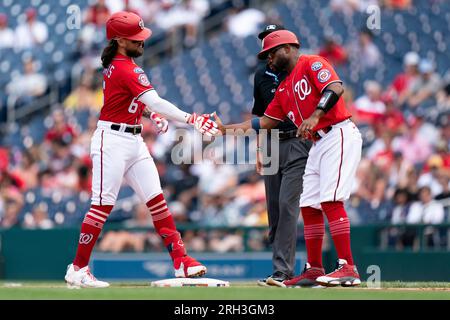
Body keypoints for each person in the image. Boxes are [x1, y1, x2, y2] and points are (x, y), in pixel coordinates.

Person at [64, 11, 219, 288]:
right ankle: (78, 268)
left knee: (156, 200)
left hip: (133, 139)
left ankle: (181, 261)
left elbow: (135, 100)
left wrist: (147, 113)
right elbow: (156, 100)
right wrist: (192, 118)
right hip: (111, 140)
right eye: (136, 38)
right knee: (102, 205)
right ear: (121, 41)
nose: (143, 42)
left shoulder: (119, 64)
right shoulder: (125, 66)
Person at [215, 29, 363, 287]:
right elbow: (263, 123)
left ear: (286, 48)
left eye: (271, 53)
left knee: (330, 199)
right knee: (308, 204)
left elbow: (335, 87)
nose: (268, 59)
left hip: (337, 132)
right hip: (318, 142)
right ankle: (315, 268)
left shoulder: (313, 62)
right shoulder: (283, 89)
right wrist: (224, 130)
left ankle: (347, 266)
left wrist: (316, 115)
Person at [252, 24, 312, 286]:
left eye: (271, 42)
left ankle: (284, 271)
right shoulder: (261, 75)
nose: (267, 49)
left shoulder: (301, 69)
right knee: (274, 210)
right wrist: (259, 147)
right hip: (271, 143)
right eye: (264, 42)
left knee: (289, 205)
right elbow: (260, 115)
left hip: (297, 140)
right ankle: (280, 268)